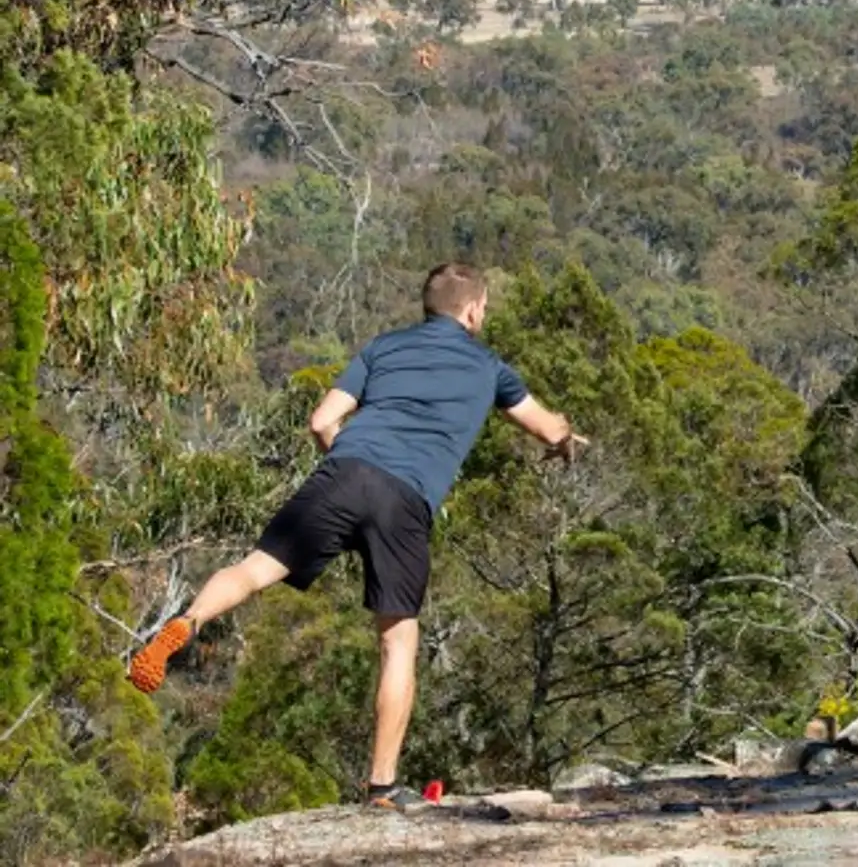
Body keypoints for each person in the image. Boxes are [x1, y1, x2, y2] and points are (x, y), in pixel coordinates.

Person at [125, 262, 586, 809]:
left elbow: (322, 422)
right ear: (471, 310)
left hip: (342, 472)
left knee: (255, 569)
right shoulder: (489, 366)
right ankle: (382, 788)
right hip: (405, 499)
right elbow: (547, 425)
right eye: (483, 307)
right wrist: (564, 442)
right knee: (398, 641)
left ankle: (187, 620)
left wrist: (347, 472)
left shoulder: (384, 348)